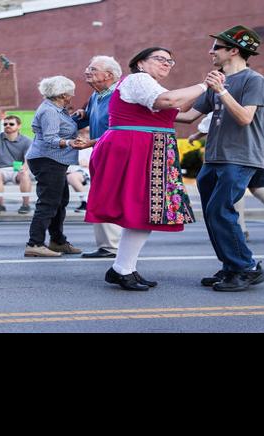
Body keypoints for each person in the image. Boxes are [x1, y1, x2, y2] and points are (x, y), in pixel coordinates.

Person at [85, 47, 206, 291]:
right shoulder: (138, 80)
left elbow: (185, 114)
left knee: (143, 212)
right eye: (159, 59)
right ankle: (122, 269)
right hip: (136, 149)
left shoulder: (151, 87)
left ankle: (123, 268)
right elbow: (169, 101)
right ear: (140, 63)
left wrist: (217, 95)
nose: (166, 64)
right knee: (141, 209)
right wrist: (205, 85)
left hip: (149, 150)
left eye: (170, 61)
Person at [176, 25, 264, 292]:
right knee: (211, 213)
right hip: (214, 158)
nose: (211, 51)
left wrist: (221, 91)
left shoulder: (253, 80)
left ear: (234, 50)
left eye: (216, 47)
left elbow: (245, 118)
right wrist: (149, 108)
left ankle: (246, 267)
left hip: (240, 158)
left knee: (221, 210)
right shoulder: (219, 81)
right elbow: (188, 115)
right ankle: (231, 266)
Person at [23, 76, 86, 258]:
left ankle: (57, 241)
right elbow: (51, 138)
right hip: (47, 159)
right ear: (63, 94)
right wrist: (70, 142)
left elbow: (64, 127)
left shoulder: (57, 109)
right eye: (71, 91)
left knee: (60, 201)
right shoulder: (50, 111)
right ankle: (34, 243)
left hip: (54, 160)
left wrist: (77, 117)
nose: (73, 95)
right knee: (49, 202)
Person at [73, 56, 124, 259]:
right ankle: (107, 246)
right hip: (100, 152)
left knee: (110, 197)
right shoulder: (96, 96)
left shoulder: (119, 96)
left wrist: (91, 142)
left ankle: (114, 247)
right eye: (88, 67)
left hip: (115, 152)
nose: (87, 71)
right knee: (100, 197)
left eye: (93, 69)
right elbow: (85, 118)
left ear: (109, 75)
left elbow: (119, 129)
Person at [0, 115, 33, 215]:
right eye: (5, 124)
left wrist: (24, 168)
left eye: (11, 124)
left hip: (17, 169)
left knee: (25, 175)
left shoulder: (26, 141)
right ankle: (0, 205)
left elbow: (28, 159)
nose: (8, 126)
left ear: (18, 126)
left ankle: (25, 205)